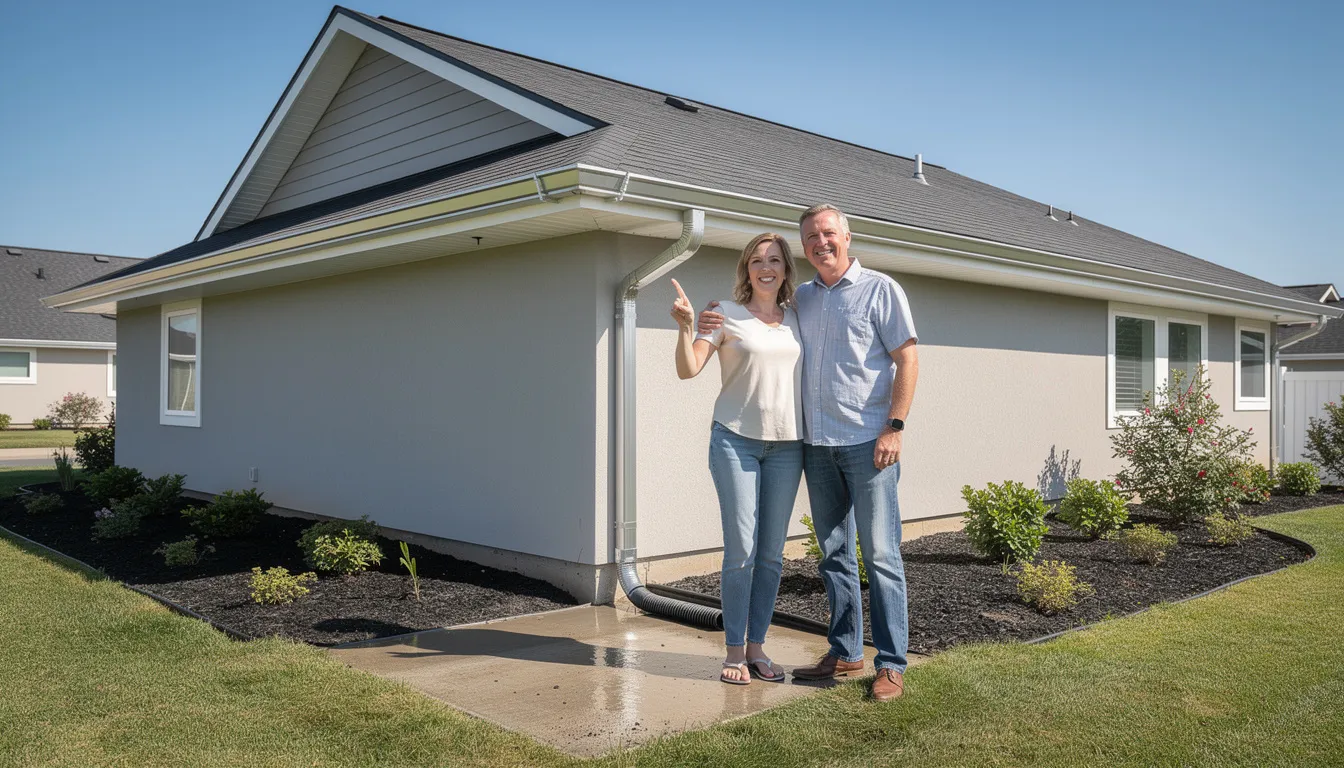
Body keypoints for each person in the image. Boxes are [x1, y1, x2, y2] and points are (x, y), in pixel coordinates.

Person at [698, 204, 918, 701]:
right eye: (812, 237)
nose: (821, 242)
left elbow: (907, 357)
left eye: (828, 233)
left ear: (846, 235)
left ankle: (891, 664)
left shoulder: (881, 289)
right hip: (816, 447)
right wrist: (702, 320)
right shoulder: (803, 301)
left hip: (869, 443)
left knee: (880, 553)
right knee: (835, 555)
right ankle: (845, 651)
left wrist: (895, 426)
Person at [669, 232, 805, 685]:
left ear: (786, 269)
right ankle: (733, 652)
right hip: (735, 442)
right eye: (755, 261)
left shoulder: (799, 318)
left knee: (771, 556)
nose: (765, 267)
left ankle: (757, 648)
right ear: (746, 270)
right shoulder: (723, 315)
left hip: (788, 447)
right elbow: (689, 369)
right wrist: (687, 325)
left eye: (774, 260)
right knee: (742, 549)